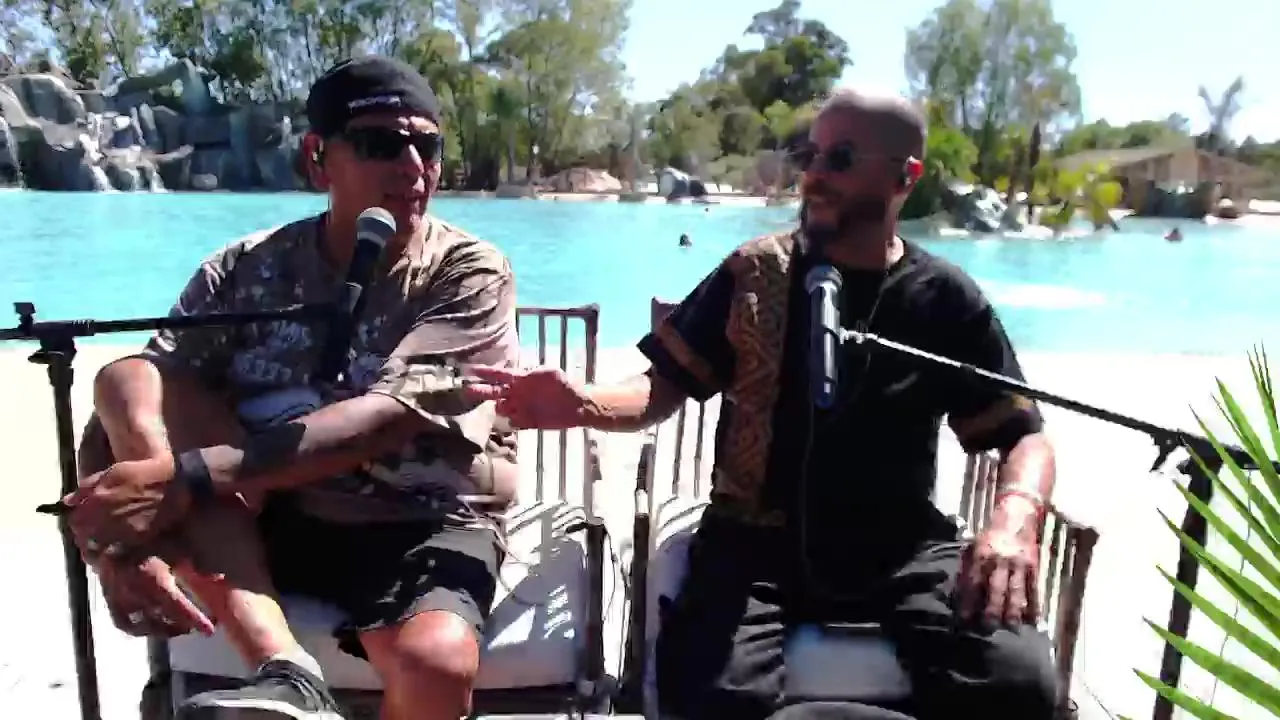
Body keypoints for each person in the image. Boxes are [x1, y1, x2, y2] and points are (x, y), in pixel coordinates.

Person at [464, 88, 1060, 719]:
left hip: (903, 547)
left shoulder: (943, 298)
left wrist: (1015, 518)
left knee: (1017, 684)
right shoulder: (754, 273)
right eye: (811, 155)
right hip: (752, 545)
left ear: (905, 177)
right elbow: (661, 388)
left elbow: (1024, 435)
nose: (815, 175)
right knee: (709, 697)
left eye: (840, 158)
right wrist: (581, 402)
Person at [63, 55, 519, 720]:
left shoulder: (467, 271)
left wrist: (190, 476)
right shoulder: (243, 269)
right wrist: (119, 546)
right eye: (380, 143)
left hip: (421, 520)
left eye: (428, 146)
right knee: (130, 374)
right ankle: (287, 673)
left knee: (435, 664)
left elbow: (388, 418)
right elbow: (125, 413)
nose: (412, 166)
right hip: (268, 516)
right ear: (317, 159)